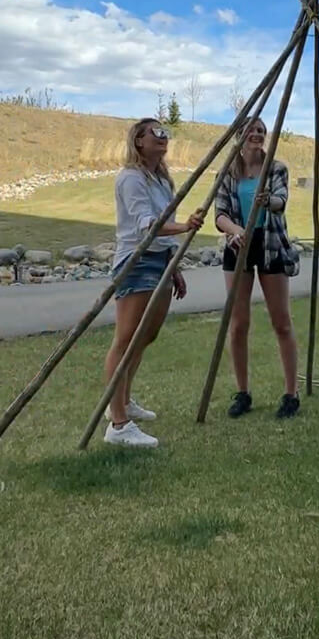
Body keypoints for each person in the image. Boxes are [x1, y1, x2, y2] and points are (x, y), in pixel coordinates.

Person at [104, 118, 204, 448]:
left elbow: (166, 225)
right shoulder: (131, 179)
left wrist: (174, 263)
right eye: (155, 133)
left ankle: (124, 399)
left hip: (160, 260)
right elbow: (147, 225)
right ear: (138, 142)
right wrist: (186, 227)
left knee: (147, 335)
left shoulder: (161, 180)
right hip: (137, 260)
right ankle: (118, 423)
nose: (163, 138)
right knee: (126, 338)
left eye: (166, 133)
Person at [215, 117, 301, 420]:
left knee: (281, 321)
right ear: (239, 135)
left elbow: (281, 199)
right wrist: (235, 230)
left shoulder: (276, 167)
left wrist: (270, 202)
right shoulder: (228, 171)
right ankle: (243, 392)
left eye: (261, 131)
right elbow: (220, 213)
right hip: (238, 244)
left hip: (270, 244)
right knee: (238, 324)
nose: (257, 135)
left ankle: (291, 394)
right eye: (251, 131)